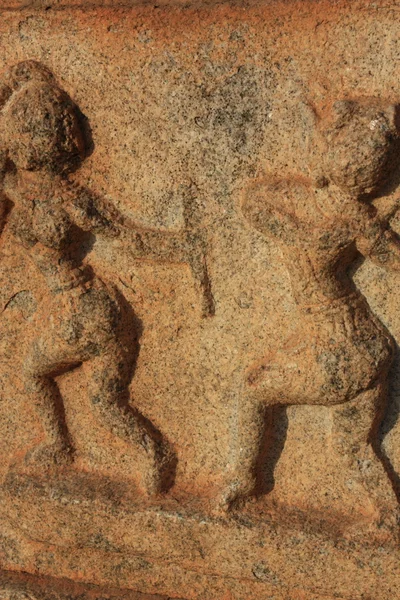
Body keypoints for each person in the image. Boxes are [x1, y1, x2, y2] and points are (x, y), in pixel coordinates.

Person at [0, 60, 173, 494]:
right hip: (103, 307)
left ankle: (58, 445)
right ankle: (154, 455)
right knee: (106, 403)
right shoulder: (65, 195)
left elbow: (128, 237)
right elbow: (129, 236)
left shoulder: (31, 193)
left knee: (31, 374)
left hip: (76, 308)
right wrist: (183, 247)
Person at [229, 98, 400, 534]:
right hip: (370, 340)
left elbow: (254, 203)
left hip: (334, 347)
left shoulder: (299, 204)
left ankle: (242, 480)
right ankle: (390, 517)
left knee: (253, 391)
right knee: (355, 449)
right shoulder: (360, 222)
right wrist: (373, 227)